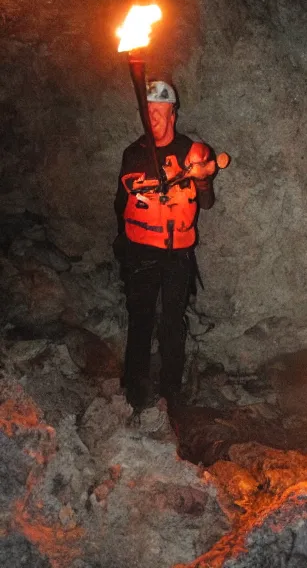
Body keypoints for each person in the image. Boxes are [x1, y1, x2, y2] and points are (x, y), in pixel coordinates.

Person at [113, 80, 218, 409]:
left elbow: (207, 202)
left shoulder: (191, 152)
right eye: (148, 111)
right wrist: (123, 246)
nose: (153, 118)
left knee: (173, 320)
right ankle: (134, 389)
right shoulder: (133, 154)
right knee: (140, 317)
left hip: (177, 253)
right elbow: (121, 204)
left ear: (173, 113)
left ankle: (171, 390)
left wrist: (202, 179)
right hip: (140, 250)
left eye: (160, 111)